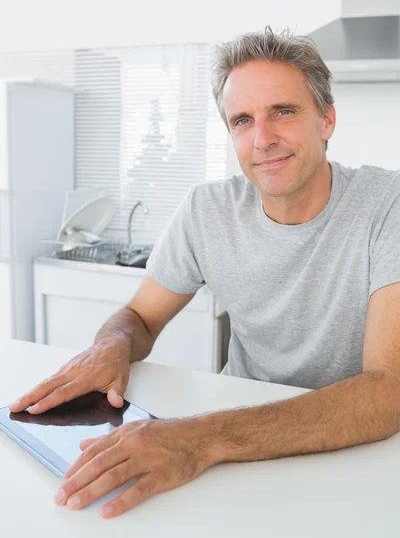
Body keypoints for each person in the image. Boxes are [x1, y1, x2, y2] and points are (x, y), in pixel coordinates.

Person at [9, 26, 400, 519]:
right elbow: (141, 317)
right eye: (242, 120)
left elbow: (387, 391)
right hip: (235, 448)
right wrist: (111, 347)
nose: (263, 139)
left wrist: (196, 439)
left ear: (326, 120)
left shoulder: (388, 205)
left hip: (348, 450)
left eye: (283, 111)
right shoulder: (207, 211)